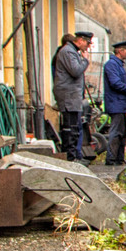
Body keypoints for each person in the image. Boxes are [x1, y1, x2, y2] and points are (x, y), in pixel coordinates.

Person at [52, 31, 91, 161]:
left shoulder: (70, 51)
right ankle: (70, 157)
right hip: (68, 95)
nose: (88, 46)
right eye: (87, 42)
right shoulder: (68, 52)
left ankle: (73, 156)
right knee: (70, 128)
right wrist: (85, 61)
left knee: (74, 127)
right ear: (80, 40)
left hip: (71, 94)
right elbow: (76, 71)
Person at [102, 40, 126, 166]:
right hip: (116, 103)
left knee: (123, 131)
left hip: (120, 103)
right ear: (120, 51)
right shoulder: (112, 65)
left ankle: (119, 158)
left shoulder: (118, 65)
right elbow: (115, 83)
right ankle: (111, 158)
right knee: (116, 132)